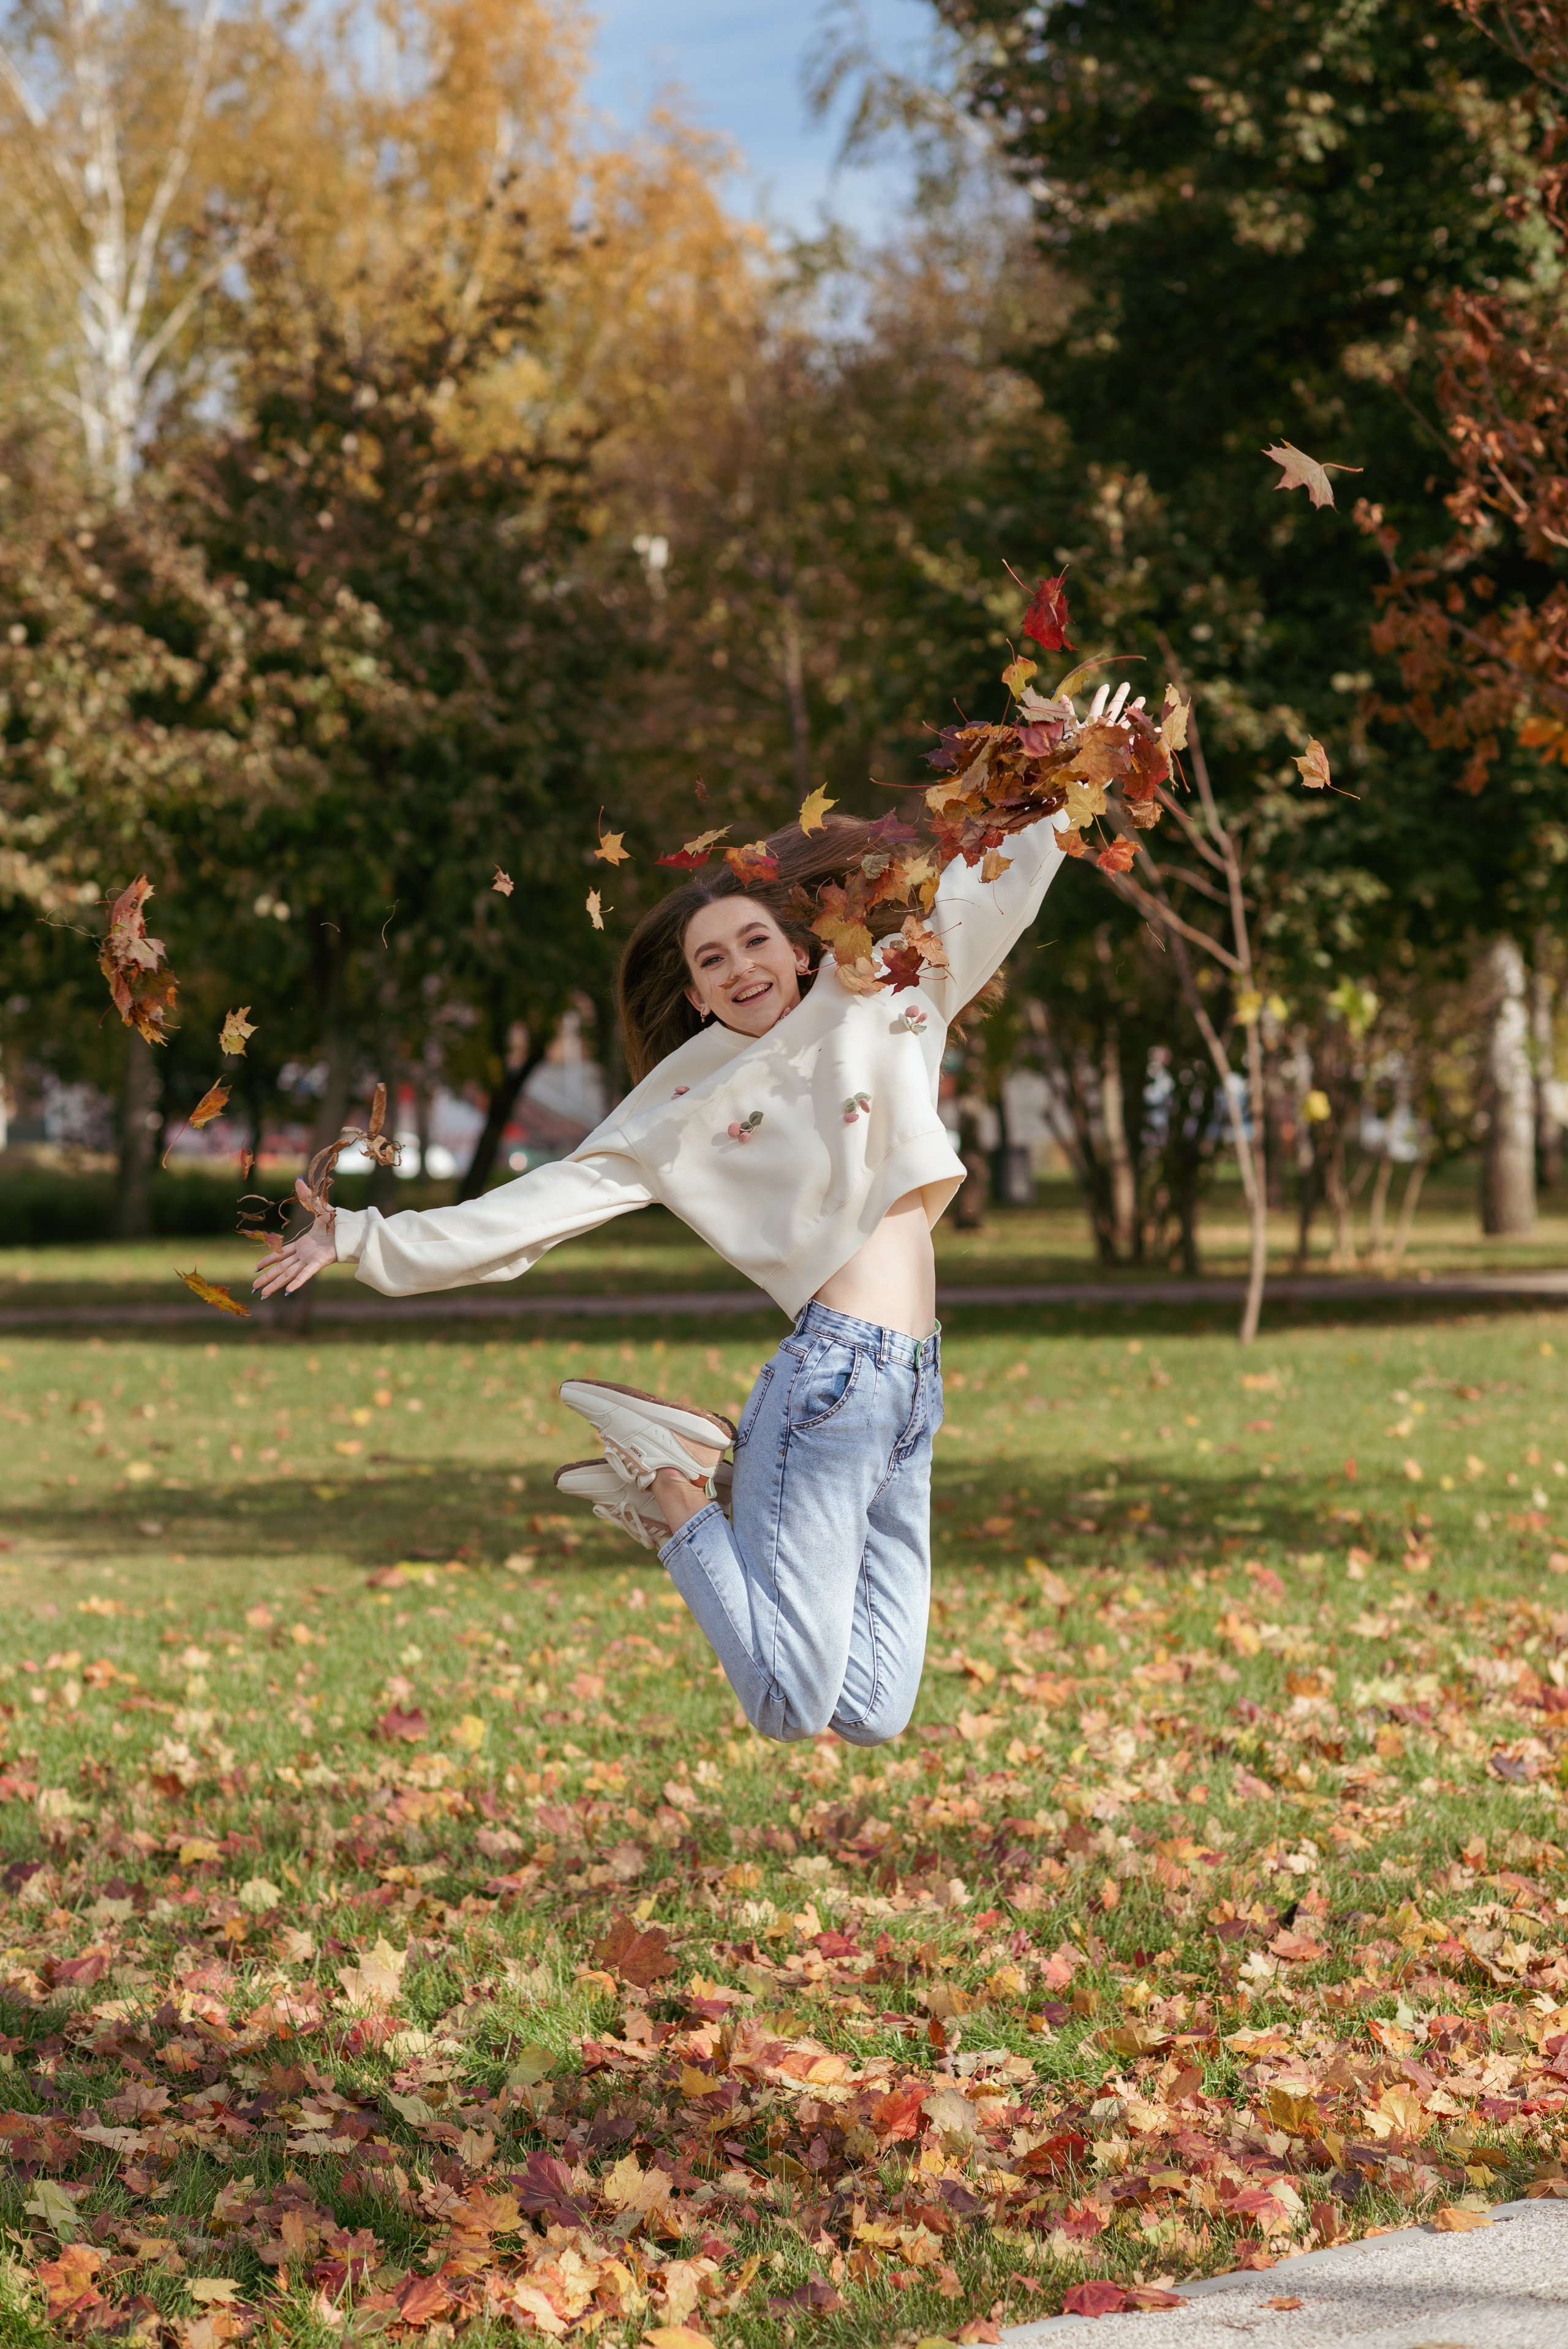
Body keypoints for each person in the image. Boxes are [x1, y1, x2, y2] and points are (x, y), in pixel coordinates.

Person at [253, 786, 1076, 1744]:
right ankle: (674, 1491)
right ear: (694, 995)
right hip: (829, 1386)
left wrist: (1052, 785)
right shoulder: (678, 1106)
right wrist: (359, 1236)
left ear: (800, 950)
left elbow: (991, 905)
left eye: (755, 943)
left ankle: (684, 1480)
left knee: (874, 1710)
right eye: (712, 961)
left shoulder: (885, 997)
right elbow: (529, 1210)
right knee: (785, 1705)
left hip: (912, 1387)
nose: (740, 969)